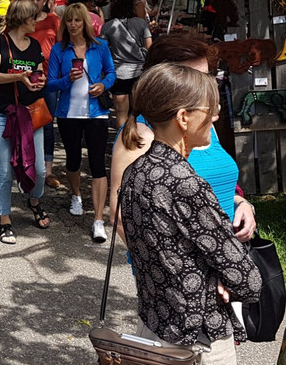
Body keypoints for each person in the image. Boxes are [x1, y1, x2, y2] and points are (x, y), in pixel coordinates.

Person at [118, 63, 262, 365]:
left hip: (154, 325)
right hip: (198, 340)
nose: (216, 117)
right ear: (184, 118)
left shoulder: (136, 172)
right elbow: (248, 279)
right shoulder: (185, 183)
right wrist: (222, 275)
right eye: (210, 111)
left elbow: (155, 250)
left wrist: (212, 271)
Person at [108, 32, 257, 243]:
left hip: (230, 258)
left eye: (207, 76)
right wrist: (182, 269)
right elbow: (122, 217)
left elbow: (217, 187)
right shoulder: (141, 135)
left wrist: (243, 205)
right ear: (162, 81)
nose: (206, 86)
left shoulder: (204, 124)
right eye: (195, 78)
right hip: (186, 271)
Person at [47, 4, 115, 241]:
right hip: (68, 113)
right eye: (69, 21)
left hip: (96, 113)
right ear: (64, 24)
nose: (73, 25)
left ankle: (98, 219)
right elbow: (51, 83)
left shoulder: (100, 46)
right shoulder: (59, 50)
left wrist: (104, 85)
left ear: (85, 22)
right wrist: (68, 79)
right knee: (73, 159)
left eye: (77, 20)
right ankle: (76, 194)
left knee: (97, 163)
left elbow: (112, 73)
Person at [0, 0, 48, 244]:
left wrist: (39, 81)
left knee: (40, 169)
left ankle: (34, 200)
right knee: (5, 171)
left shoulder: (34, 45)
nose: (37, 21)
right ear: (22, 18)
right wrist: (19, 77)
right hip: (3, 113)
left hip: (31, 113)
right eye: (34, 17)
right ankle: (4, 220)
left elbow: (40, 73)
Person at [23, 0, 63, 189]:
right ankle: (26, 165)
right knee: (24, 122)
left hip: (49, 79)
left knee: (47, 124)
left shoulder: (54, 20)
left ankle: (48, 170)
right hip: (25, 79)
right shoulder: (20, 22)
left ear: (45, 0)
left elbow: (61, 49)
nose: (36, 3)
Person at [102, 0, 152, 129]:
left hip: (119, 73)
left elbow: (103, 50)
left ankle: (122, 142)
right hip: (139, 73)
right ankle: (138, 141)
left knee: (121, 112)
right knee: (138, 112)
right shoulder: (142, 23)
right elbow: (150, 48)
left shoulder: (108, 26)